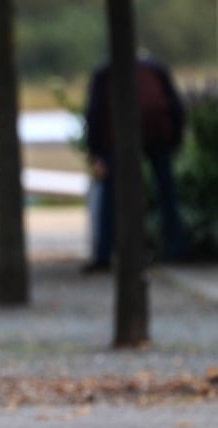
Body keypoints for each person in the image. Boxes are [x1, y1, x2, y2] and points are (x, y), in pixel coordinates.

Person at [82, 53, 187, 273]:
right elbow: (176, 107)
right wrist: (175, 140)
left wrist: (96, 152)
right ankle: (176, 248)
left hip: (116, 139)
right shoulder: (155, 69)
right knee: (167, 193)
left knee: (109, 196)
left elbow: (95, 112)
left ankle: (104, 253)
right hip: (159, 137)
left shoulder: (105, 72)